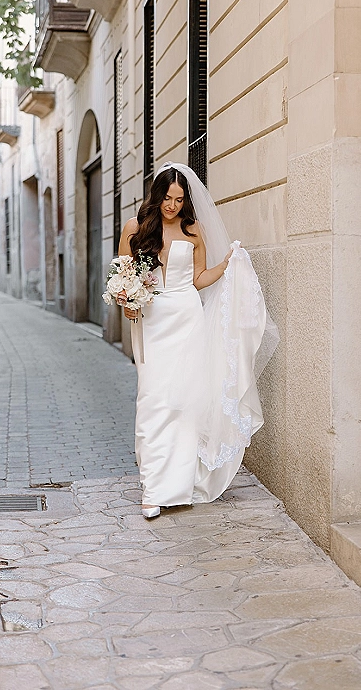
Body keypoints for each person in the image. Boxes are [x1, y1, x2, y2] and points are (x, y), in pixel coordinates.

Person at [118, 162, 278, 518]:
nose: (172, 206)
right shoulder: (135, 228)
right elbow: (122, 276)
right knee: (153, 400)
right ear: (157, 195)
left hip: (187, 317)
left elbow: (198, 278)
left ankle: (177, 485)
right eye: (167, 198)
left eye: (179, 199)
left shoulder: (194, 230)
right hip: (153, 320)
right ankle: (152, 488)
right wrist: (126, 304)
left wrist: (227, 265)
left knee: (185, 402)